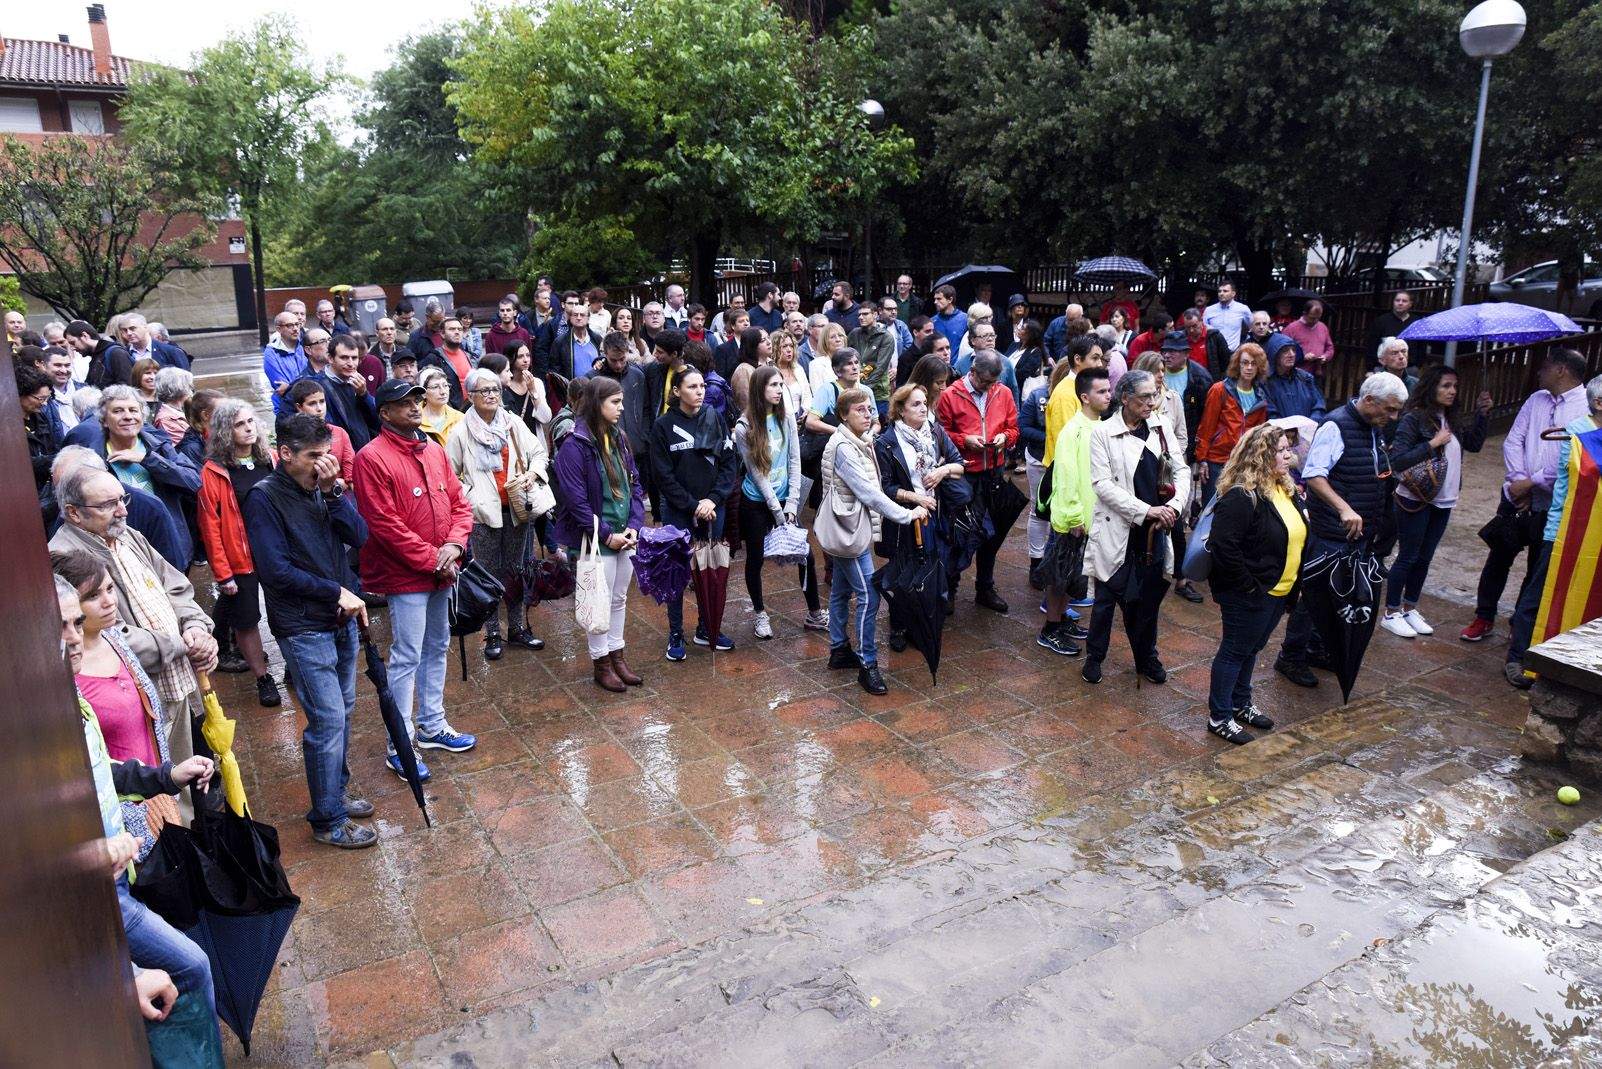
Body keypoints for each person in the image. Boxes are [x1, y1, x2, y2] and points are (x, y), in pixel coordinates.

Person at [53, 574, 221, 1043]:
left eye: (72, 623)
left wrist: (167, 776)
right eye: (59, 626)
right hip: (101, 884)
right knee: (186, 967)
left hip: (123, 866)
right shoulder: (45, 710)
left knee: (189, 958)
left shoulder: (78, 684)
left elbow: (103, 770)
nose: (72, 637)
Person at [243, 413, 376, 846]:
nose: (324, 464)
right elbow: (275, 571)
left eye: (328, 455)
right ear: (285, 454)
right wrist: (335, 591)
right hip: (303, 626)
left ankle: (335, 791)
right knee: (327, 719)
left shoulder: (323, 489)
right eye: (314, 456)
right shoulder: (265, 498)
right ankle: (328, 819)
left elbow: (359, 536)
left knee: (345, 711)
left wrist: (335, 492)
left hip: (339, 619)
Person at [49, 465, 217, 785]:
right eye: (108, 504)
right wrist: (183, 645)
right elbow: (107, 633)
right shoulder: (63, 557)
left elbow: (175, 586)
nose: (123, 510)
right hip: (137, 695)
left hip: (175, 679)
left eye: (121, 498)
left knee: (185, 776)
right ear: (73, 513)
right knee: (158, 785)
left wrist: (195, 626)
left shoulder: (126, 534)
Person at [354, 378, 479, 774]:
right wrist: (433, 559)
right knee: (407, 654)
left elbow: (459, 502)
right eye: (403, 402)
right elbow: (384, 524)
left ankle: (432, 725)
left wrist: (456, 545)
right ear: (384, 412)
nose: (414, 406)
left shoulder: (433, 448)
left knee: (437, 645)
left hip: (443, 568)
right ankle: (400, 742)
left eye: (416, 400)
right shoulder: (371, 458)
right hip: (407, 574)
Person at [1274, 371, 1409, 687]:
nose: (1393, 417)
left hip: (1359, 534)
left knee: (1339, 595)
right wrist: (1344, 508)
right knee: (1314, 597)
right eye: (1389, 409)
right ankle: (1290, 657)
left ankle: (1316, 649)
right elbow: (1315, 475)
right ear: (1369, 400)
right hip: (1331, 533)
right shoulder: (1336, 426)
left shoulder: (1373, 427)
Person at [1459, 349, 1590, 644]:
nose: (1538, 372)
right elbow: (1514, 440)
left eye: (1544, 367)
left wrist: (1532, 483)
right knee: (1498, 557)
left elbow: (1575, 460)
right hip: (1516, 497)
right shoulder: (1535, 399)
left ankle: (1522, 621)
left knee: (1537, 565)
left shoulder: (1587, 407)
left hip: (1553, 501)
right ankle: (1484, 615)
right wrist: (1518, 481)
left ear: (1561, 370)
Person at [1081, 370, 1190, 685]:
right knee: (1106, 598)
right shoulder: (1103, 433)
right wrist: (1146, 510)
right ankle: (1095, 657)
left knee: (1148, 600)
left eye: (1155, 395)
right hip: (1118, 529)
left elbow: (1180, 470)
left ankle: (1147, 657)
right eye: (1144, 396)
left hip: (1155, 531)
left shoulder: (1161, 427)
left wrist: (1174, 506)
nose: (1152, 403)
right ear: (1125, 398)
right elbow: (1102, 486)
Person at [1203, 424, 1306, 744]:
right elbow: (1224, 547)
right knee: (1234, 650)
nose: (1290, 455)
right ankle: (1220, 716)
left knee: (1252, 648)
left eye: (1290, 448)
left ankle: (1240, 703)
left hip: (1278, 590)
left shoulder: (1285, 488)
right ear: (1261, 455)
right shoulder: (1241, 495)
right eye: (1282, 450)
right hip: (1250, 593)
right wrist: (1248, 588)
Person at [821, 387, 928, 695]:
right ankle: (868, 665)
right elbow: (870, 493)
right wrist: (908, 515)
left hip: (849, 529)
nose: (868, 415)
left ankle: (839, 648)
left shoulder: (859, 441)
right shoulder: (844, 447)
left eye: (869, 409)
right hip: (847, 533)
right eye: (860, 411)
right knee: (869, 595)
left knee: (841, 589)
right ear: (844, 415)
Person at [1503, 372, 1602, 688]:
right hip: (1565, 530)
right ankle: (1518, 659)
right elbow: (1570, 487)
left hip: (1597, 537)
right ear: (1599, 403)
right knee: (1540, 594)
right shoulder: (1578, 435)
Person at [446, 368, 551, 658]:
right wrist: (472, 498)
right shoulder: (460, 431)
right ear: (470, 396)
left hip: (518, 508)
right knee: (489, 574)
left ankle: (517, 629)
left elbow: (539, 453)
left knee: (516, 571)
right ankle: (492, 633)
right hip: (483, 515)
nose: (491, 395)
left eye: (495, 389)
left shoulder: (512, 422)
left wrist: (532, 472)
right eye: (484, 391)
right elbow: (450, 475)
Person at [1381, 364, 1491, 639]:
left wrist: (1482, 414)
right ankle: (1391, 611)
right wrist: (1432, 443)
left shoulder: (1453, 419)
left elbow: (1475, 445)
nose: (1452, 391)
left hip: (1444, 500)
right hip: (1415, 499)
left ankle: (1410, 607)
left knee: (1425, 557)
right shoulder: (1414, 419)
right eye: (1445, 385)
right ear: (1431, 387)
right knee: (1408, 556)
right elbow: (1397, 460)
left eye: (1454, 386)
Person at [552, 376, 646, 692]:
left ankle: (618, 656)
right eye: (615, 402)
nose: (621, 407)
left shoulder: (618, 437)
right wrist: (606, 535)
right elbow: (576, 501)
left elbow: (634, 484)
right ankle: (601, 663)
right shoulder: (573, 445)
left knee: (618, 598)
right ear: (597, 404)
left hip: (625, 534)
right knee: (598, 601)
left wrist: (635, 524)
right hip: (596, 539)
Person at [651, 366, 740, 660]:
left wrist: (713, 500)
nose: (700, 391)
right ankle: (676, 632)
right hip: (679, 511)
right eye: (692, 387)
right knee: (678, 571)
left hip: (714, 510)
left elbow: (729, 463)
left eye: (702, 386)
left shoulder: (714, 418)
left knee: (709, 568)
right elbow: (663, 476)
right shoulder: (663, 426)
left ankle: (706, 627)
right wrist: (692, 505)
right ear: (677, 392)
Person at [197, 400, 281, 706]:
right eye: (239, 424)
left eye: (250, 422)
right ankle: (262, 677)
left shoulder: (269, 459)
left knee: (284, 610)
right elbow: (211, 526)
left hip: (274, 551)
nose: (248, 428)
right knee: (246, 620)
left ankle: (295, 669)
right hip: (239, 557)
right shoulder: (214, 471)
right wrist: (223, 573)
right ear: (223, 431)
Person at [734, 366, 826, 638]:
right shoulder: (744, 426)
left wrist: (792, 503)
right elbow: (757, 474)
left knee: (805, 554)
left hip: (786, 499)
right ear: (759, 390)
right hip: (757, 501)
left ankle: (815, 613)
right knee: (755, 558)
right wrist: (777, 510)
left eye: (780, 385)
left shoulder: (786, 418)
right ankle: (760, 614)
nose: (778, 390)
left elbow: (795, 461)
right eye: (772, 385)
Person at [876, 382, 967, 647]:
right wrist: (916, 498)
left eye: (924, 403)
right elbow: (886, 487)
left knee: (932, 568)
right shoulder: (887, 442)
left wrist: (941, 471)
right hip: (906, 518)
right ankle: (898, 627)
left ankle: (921, 625)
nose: (922, 409)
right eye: (915, 404)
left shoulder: (935, 432)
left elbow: (959, 464)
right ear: (900, 410)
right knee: (904, 571)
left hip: (936, 514)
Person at [935, 352, 1019, 612]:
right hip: (965, 473)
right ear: (972, 372)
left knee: (992, 533)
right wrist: (965, 441)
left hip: (993, 472)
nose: (989, 387)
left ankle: (985, 587)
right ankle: (950, 588)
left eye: (994, 382)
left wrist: (1006, 437)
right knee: (958, 532)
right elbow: (940, 431)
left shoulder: (1002, 392)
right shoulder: (950, 395)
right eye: (985, 382)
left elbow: (1014, 428)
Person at [66, 384, 200, 545]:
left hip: (168, 541)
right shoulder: (93, 458)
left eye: (133, 410)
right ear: (104, 420)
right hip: (121, 544)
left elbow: (193, 483)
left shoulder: (160, 447)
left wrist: (148, 460)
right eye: (118, 411)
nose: (128, 416)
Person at [1039, 368, 1112, 655]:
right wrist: (1073, 517)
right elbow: (1066, 476)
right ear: (1085, 397)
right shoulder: (1074, 431)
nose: (1108, 395)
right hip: (1073, 520)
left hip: (1090, 518)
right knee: (1060, 577)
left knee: (1073, 576)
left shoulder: (1100, 426)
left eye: (1108, 390)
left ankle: (1063, 619)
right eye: (1101, 391)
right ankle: (1050, 628)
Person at [1195, 342, 1269, 504]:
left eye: (1253, 363)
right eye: (1245, 362)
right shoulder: (1220, 389)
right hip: (1218, 459)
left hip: (1244, 462)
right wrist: (1202, 459)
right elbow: (1206, 427)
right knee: (1212, 507)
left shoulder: (1261, 396)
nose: (1249, 367)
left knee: (1237, 510)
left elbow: (1259, 435)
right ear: (1237, 364)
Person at [1261, 333, 1326, 422]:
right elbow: (1270, 413)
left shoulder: (1306, 378)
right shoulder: (1266, 383)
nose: (1291, 354)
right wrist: (1289, 430)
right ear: (1275, 354)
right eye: (1285, 351)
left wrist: (1311, 423)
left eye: (1293, 350)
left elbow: (1319, 406)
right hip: (1280, 433)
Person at [849, 301, 897, 418]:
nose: (861, 317)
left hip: (878, 392)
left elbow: (881, 367)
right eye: (859, 314)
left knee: (878, 427)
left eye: (865, 314)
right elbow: (846, 357)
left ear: (875, 315)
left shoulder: (886, 337)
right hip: (855, 388)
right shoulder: (855, 334)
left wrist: (863, 388)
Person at [19, 363, 62, 493]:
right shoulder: (8, 426)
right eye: (40, 398)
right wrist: (57, 459)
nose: (43, 403)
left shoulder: (40, 418)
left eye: (47, 399)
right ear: (21, 395)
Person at [66, 318, 134, 389]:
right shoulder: (96, 357)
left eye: (73, 343)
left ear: (85, 336)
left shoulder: (116, 354)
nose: (72, 348)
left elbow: (127, 389)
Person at [418, 316, 469, 409]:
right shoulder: (434, 358)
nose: (457, 332)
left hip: (469, 408)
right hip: (449, 412)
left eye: (460, 329)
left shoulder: (466, 355)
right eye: (452, 329)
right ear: (442, 333)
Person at [261, 312, 306, 415]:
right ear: (279, 329)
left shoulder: (305, 346)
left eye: (297, 324)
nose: (295, 328)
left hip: (311, 406)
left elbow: (315, 376)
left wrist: (290, 385)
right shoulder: (271, 352)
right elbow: (281, 389)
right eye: (290, 325)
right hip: (287, 410)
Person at [1281, 299, 1334, 378]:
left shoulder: (1322, 327)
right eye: (1312, 318)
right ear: (1304, 313)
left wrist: (1325, 356)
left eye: (1318, 318)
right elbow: (1282, 350)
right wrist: (1302, 356)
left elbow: (1330, 348)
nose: (1315, 321)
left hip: (1317, 373)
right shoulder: (1291, 329)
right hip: (1296, 374)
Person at [1366, 290, 1422, 362]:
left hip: (1409, 366)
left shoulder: (1416, 322)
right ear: (1393, 302)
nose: (1400, 303)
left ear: (1410, 304)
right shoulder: (1381, 321)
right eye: (1397, 300)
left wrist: (1417, 363)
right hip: (1384, 366)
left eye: (1404, 301)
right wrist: (1370, 368)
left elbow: (1421, 346)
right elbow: (1372, 345)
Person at [728, 327, 773, 414]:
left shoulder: (772, 364)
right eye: (763, 340)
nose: (769, 342)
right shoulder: (744, 370)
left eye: (768, 337)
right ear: (753, 345)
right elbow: (745, 405)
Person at [417, 367, 464, 447]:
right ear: (423, 393)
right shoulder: (414, 419)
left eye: (445, 385)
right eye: (435, 387)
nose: (443, 392)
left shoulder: (460, 418)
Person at [772, 328, 812, 419]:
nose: (789, 350)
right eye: (784, 346)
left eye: (791, 346)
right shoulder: (770, 371)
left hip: (801, 419)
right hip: (779, 418)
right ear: (775, 348)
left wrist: (806, 411)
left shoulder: (798, 369)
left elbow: (807, 395)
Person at [1203, 280, 1253, 351]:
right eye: (1219, 291)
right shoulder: (1209, 310)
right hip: (1214, 352)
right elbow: (1203, 330)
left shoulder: (1243, 309)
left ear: (1233, 293)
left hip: (1233, 352)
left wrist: (1243, 344)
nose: (1221, 293)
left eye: (1225, 291)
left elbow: (1251, 327)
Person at [150, 368, 193, 447]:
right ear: (179, 388)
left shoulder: (180, 410)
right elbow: (186, 447)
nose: (191, 389)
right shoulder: (166, 420)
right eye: (188, 385)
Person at [361, 317, 404, 393]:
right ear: (377, 333)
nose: (389, 332)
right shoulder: (370, 358)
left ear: (396, 332)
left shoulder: (404, 354)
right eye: (385, 329)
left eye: (392, 329)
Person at [807, 322, 851, 394]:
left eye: (840, 335)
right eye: (833, 337)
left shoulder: (852, 361)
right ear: (825, 342)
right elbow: (818, 394)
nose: (838, 339)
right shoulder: (816, 365)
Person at [713, 307, 752, 380]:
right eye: (741, 321)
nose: (746, 323)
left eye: (747, 321)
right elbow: (720, 377)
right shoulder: (722, 349)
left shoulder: (755, 346)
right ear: (733, 326)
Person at [930, 284, 969, 351]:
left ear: (950, 300)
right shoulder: (932, 322)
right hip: (937, 360)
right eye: (935, 299)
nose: (935, 302)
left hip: (959, 360)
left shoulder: (965, 319)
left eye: (939, 299)